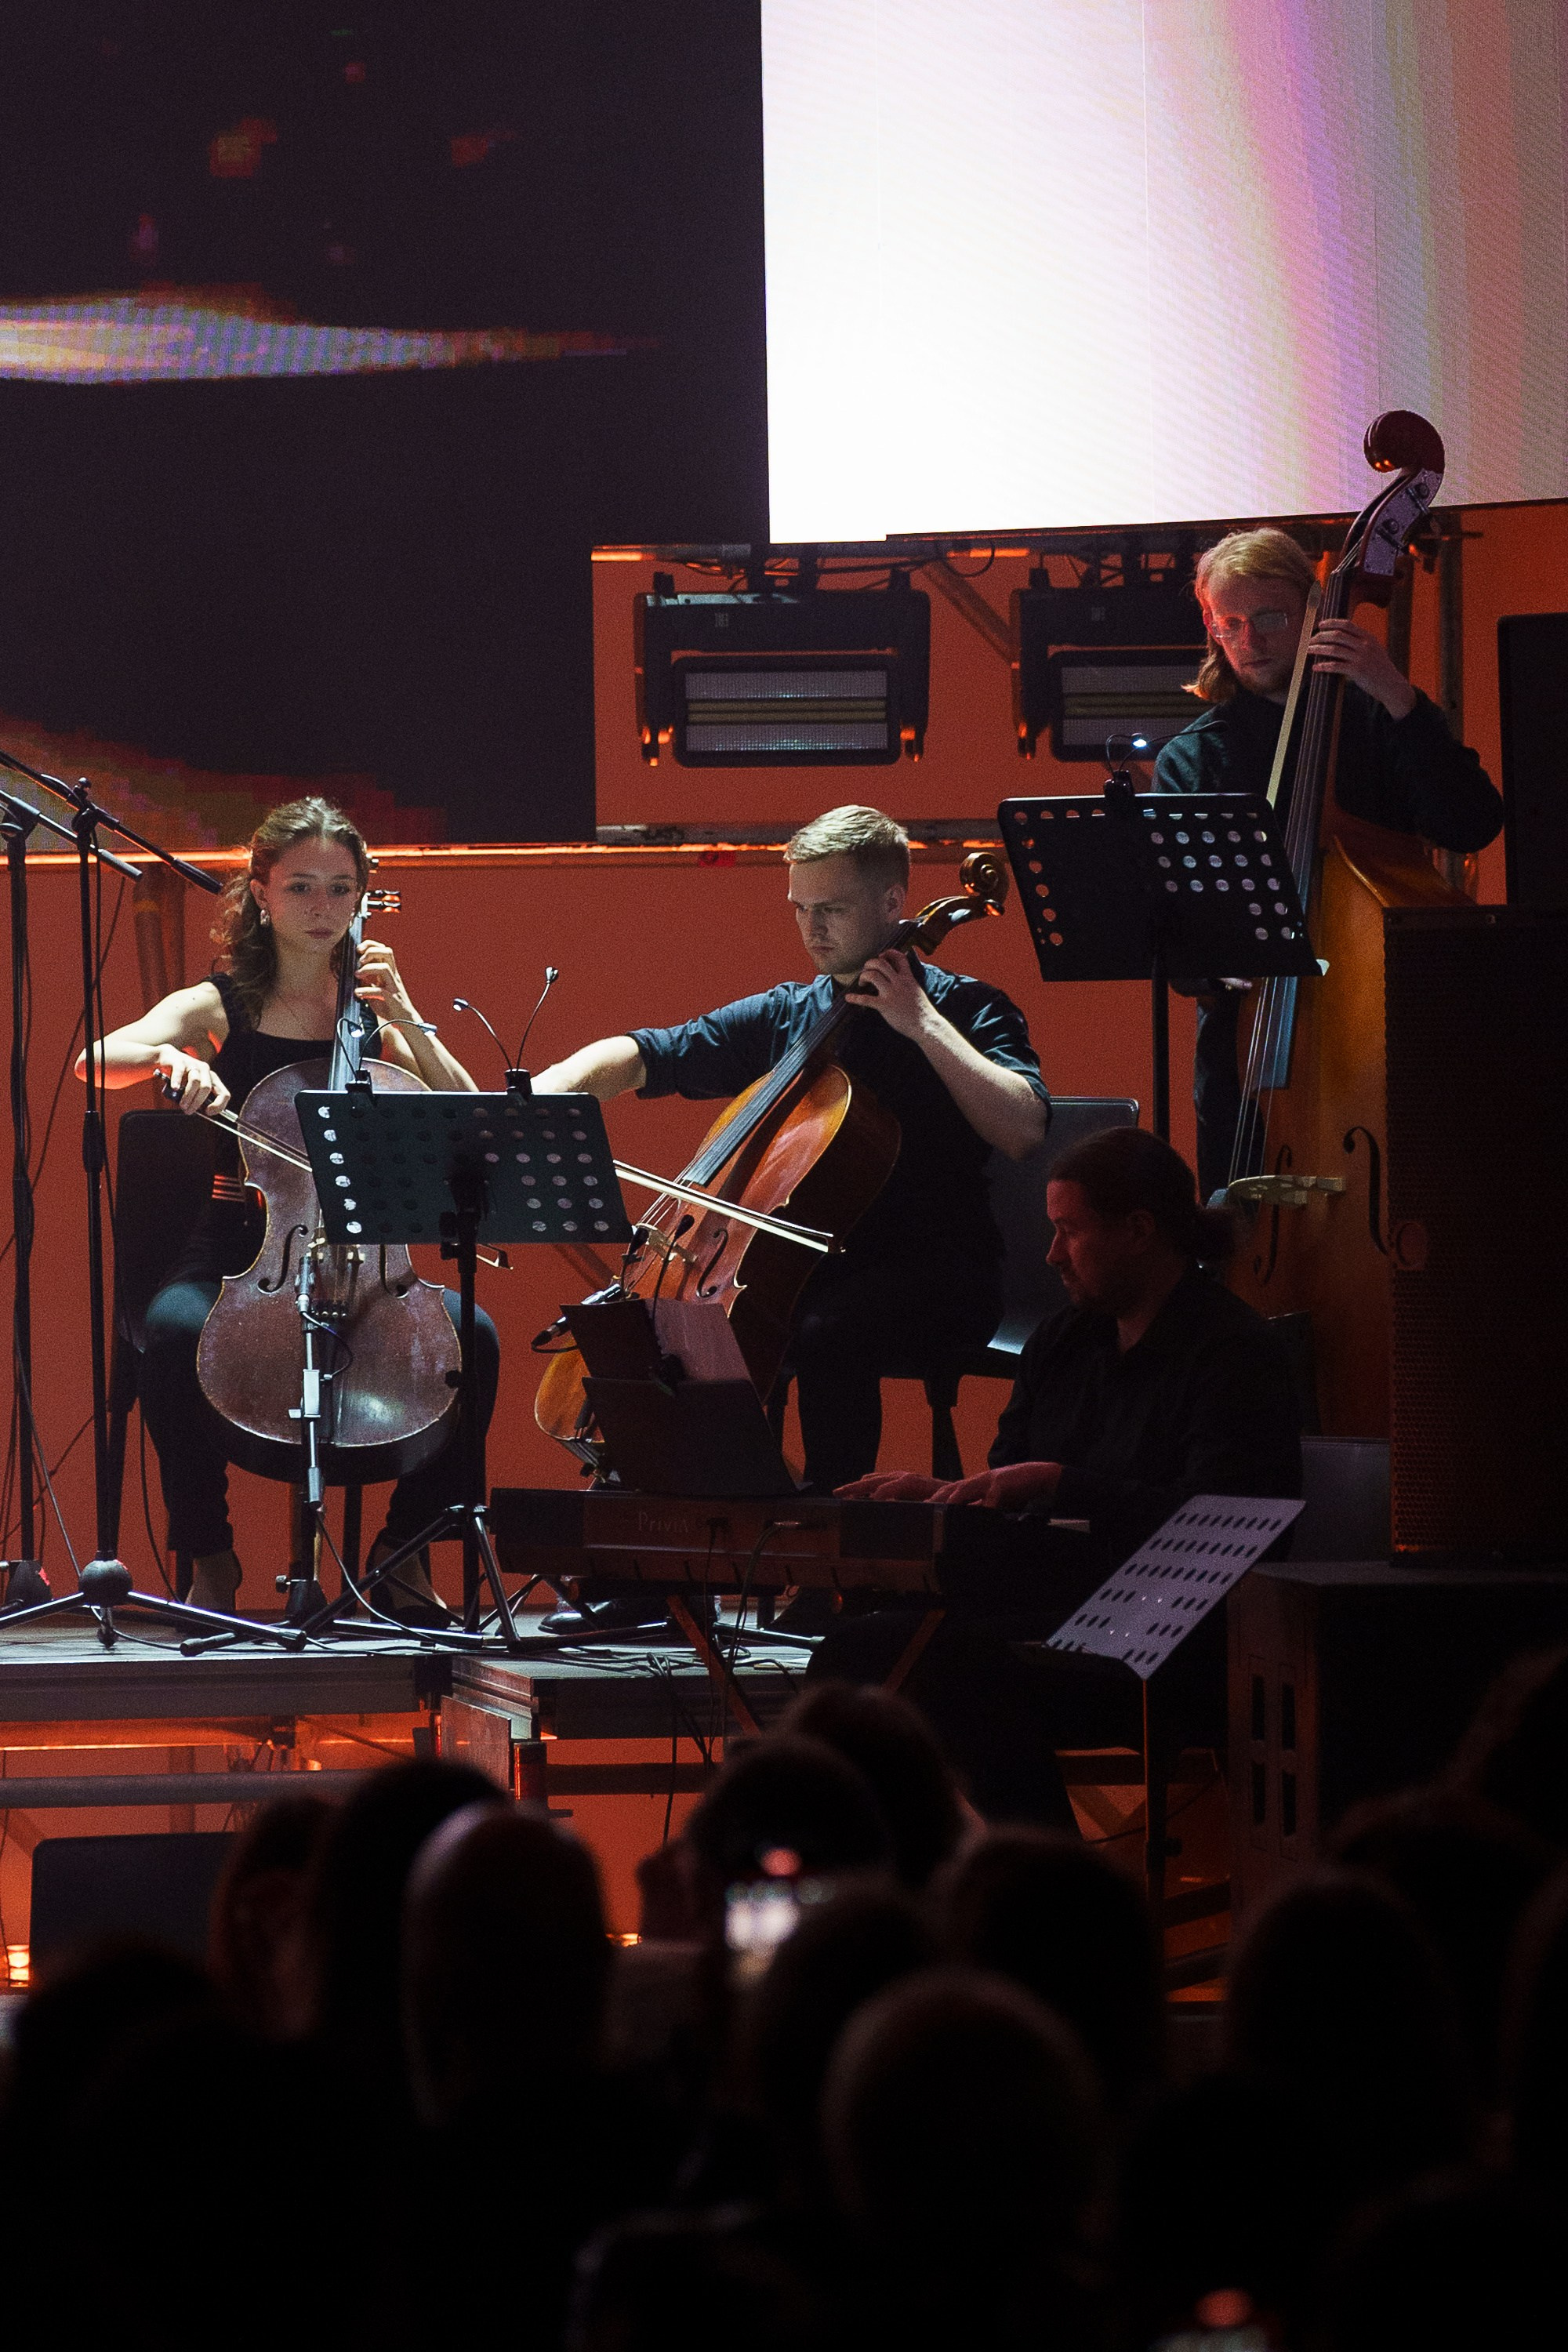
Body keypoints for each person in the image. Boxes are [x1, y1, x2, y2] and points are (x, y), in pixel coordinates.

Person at [532, 804, 1050, 1494]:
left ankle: (836, 1535)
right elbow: (649, 1053)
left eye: (830, 908)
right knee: (666, 1333)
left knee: (827, 1329)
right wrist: (549, 1089)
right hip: (801, 1274)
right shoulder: (789, 1014)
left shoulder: (967, 1009)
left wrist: (922, 1025)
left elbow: (1023, 1127)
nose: (811, 928)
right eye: (799, 908)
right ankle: (653, 1562)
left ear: (893, 903)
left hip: (935, 1272)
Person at [77, 796, 498, 1619]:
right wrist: (168, 1055)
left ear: (364, 898)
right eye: (301, 887)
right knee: (168, 1333)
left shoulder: (373, 1015)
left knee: (471, 1338)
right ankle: (210, 1554)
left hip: (361, 1252)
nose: (322, 909)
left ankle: (402, 1555)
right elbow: (98, 1058)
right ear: (260, 894)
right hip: (241, 1245)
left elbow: (467, 1118)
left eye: (341, 890)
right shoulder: (224, 1001)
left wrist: (408, 1017)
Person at [829, 1126, 1301, 1818]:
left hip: (1171, 1636)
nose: (1052, 1255)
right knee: (853, 1654)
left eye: (1069, 1231)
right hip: (1059, 1600)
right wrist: (942, 1498)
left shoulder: (1233, 1352)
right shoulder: (1062, 1340)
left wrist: (1060, 1483)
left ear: (1139, 1230)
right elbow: (1010, 1483)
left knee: (945, 1669)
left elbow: (1226, 1527)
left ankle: (1043, 1890)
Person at [1155, 527, 1504, 1202]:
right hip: (1247, 1057)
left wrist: (1397, 695)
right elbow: (1176, 928)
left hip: (1381, 1041)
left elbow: (1471, 824)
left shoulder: (1378, 720)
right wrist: (1212, 957)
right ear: (1210, 625)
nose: (1249, 641)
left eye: (1270, 618)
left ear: (1315, 609)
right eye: (1230, 623)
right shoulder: (1193, 760)